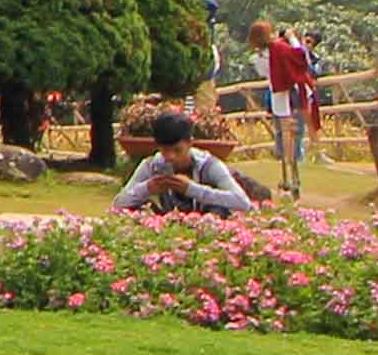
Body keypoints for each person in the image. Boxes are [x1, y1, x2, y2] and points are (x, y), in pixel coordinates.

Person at [117, 127, 257, 219]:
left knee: (219, 208)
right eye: (165, 151)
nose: (171, 156)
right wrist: (146, 188)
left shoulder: (209, 165)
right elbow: (118, 204)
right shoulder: (152, 165)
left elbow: (243, 203)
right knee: (138, 208)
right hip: (167, 223)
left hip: (207, 225)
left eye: (177, 150)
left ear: (190, 144)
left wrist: (192, 189)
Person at [257, 19, 318, 195]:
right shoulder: (281, 48)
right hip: (291, 96)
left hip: (277, 97)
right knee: (293, 135)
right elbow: (301, 57)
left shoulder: (261, 55)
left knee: (284, 136)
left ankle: (287, 177)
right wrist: (292, 39)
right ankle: (294, 178)